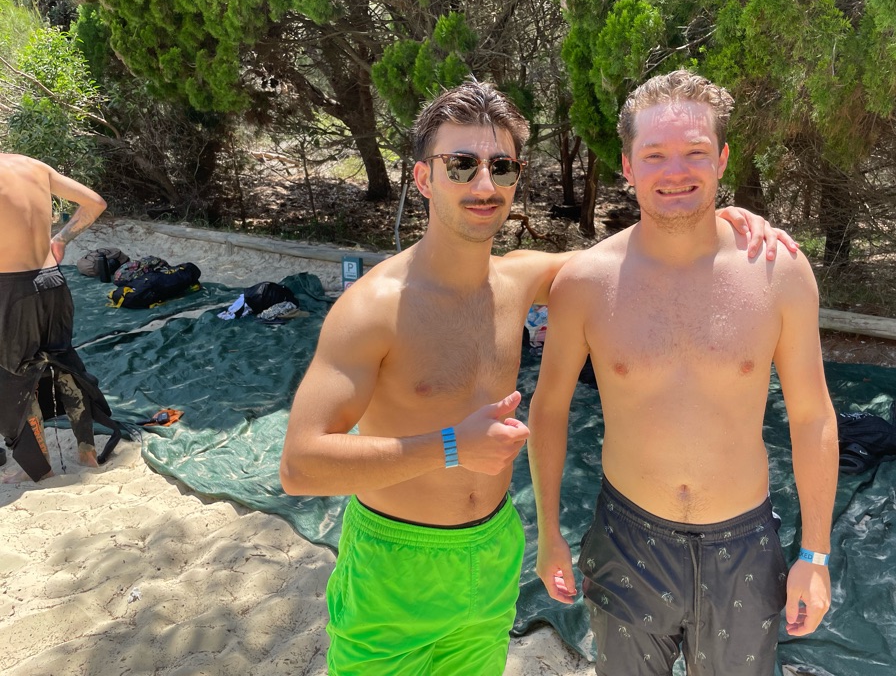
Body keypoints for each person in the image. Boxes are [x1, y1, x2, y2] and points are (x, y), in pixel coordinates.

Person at [279, 81, 797, 675]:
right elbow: (300, 465)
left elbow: (641, 252)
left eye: (501, 167)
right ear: (423, 178)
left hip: (493, 553)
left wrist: (711, 215)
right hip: (395, 561)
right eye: (461, 165)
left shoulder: (522, 278)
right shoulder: (373, 309)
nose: (484, 184)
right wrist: (450, 446)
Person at [528, 69, 838, 676]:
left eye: (695, 152)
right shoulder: (586, 282)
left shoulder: (777, 272)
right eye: (655, 155)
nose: (676, 171)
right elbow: (548, 409)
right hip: (626, 540)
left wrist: (816, 555)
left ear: (721, 159)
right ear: (627, 166)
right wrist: (548, 533)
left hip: (744, 545)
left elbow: (812, 416)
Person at [0, 153, 118, 482]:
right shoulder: (34, 166)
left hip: (11, 288)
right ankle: (87, 452)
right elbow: (95, 203)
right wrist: (60, 239)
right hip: (52, 281)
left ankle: (39, 468)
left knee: (17, 376)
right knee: (64, 363)